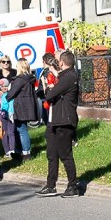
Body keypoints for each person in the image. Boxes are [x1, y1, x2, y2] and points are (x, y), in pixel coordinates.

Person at [37, 50, 81, 197]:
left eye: (57, 60)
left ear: (62, 62)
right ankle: (51, 185)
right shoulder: (64, 76)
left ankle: (72, 186)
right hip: (54, 120)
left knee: (65, 155)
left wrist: (49, 88)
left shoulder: (69, 76)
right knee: (52, 153)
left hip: (64, 120)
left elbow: (50, 95)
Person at [5, 57, 37, 161]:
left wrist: (7, 94)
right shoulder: (30, 78)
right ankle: (21, 151)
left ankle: (25, 153)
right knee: (20, 129)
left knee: (21, 129)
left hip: (21, 107)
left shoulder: (20, 79)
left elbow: (11, 94)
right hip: (27, 106)